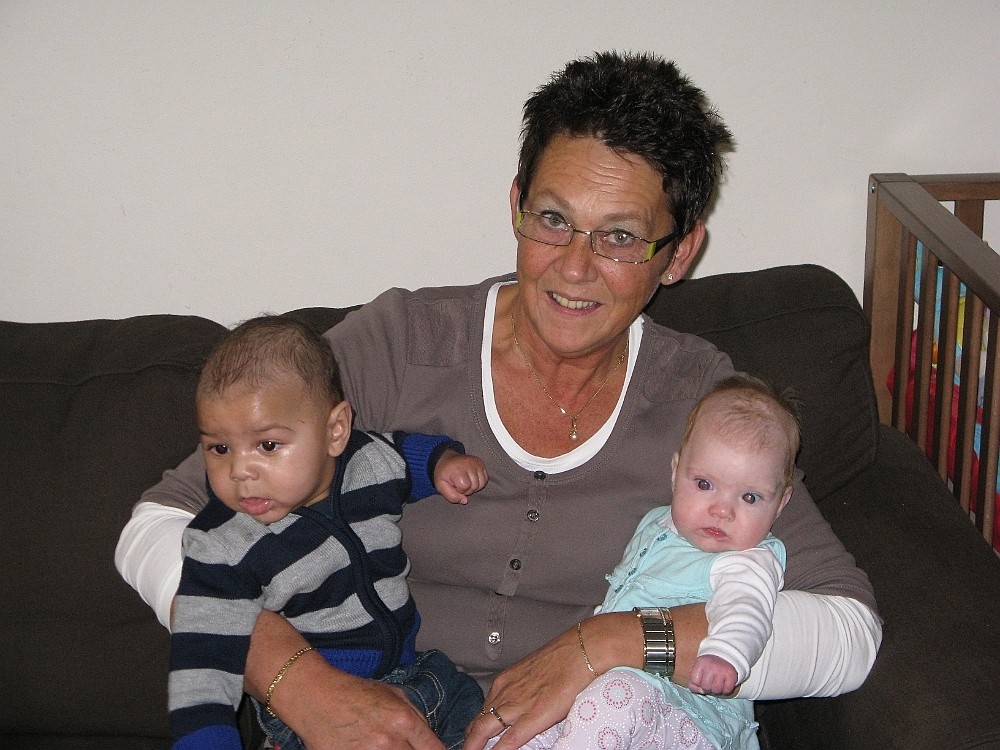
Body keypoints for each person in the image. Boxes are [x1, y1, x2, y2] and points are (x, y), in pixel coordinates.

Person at [116, 51, 881, 750]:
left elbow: (848, 631)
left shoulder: (702, 400)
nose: (574, 266)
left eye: (619, 237)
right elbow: (160, 526)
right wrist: (299, 683)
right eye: (553, 219)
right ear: (517, 204)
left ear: (679, 252)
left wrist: (611, 643)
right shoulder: (404, 345)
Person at [168, 316, 487, 750]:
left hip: (420, 675)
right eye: (219, 448)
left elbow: (401, 451)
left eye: (267, 445)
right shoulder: (220, 543)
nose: (240, 471)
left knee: (476, 710)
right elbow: (201, 667)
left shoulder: (366, 461)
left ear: (335, 431)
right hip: (318, 715)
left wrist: (441, 463)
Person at [486, 375, 799, 749]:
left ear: (780, 503)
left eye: (749, 498)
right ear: (676, 471)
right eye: (704, 484)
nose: (722, 510)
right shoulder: (656, 524)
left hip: (694, 716)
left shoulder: (747, 561)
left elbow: (748, 611)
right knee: (531, 724)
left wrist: (725, 656)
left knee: (614, 697)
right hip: (617, 693)